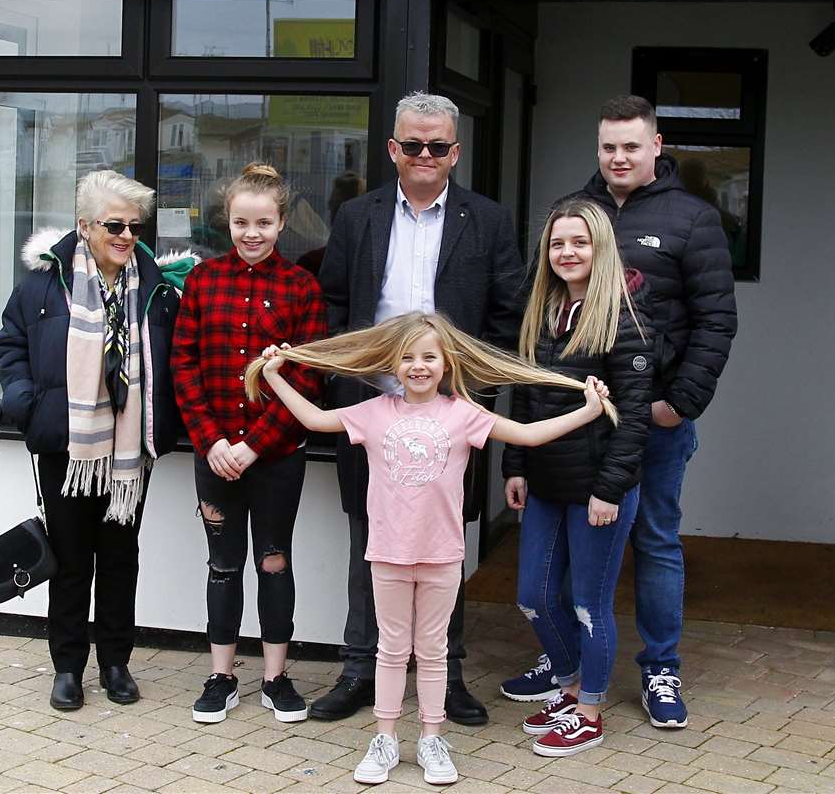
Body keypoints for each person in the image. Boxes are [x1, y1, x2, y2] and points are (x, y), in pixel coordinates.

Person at [247, 312, 611, 786]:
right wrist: (274, 374)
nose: (418, 366)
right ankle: (385, 739)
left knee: (434, 651)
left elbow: (527, 436)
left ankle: (432, 739)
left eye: (429, 357)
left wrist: (589, 410)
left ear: (446, 363)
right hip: (388, 553)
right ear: (392, 364)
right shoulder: (374, 411)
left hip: (442, 554)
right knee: (391, 650)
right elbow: (315, 418)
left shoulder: (463, 413)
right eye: (408, 357)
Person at [500, 94, 736, 728]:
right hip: (573, 430)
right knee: (573, 561)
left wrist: (676, 404)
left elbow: (716, 322)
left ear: (656, 146)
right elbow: (537, 322)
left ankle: (660, 669)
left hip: (651, 417)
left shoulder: (693, 218)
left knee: (655, 540)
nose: (619, 157)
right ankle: (570, 669)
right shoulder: (575, 213)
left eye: (632, 145)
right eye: (609, 146)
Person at [315, 92, 524, 726]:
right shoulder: (358, 216)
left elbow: (507, 312)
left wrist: (471, 394)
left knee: (445, 543)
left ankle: (447, 672)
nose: (425, 155)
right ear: (393, 149)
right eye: (413, 145)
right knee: (368, 538)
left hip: (450, 411)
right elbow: (331, 304)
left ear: (455, 152)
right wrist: (342, 386)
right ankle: (359, 669)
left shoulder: (486, 220)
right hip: (373, 404)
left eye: (437, 146)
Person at [0, 170, 196, 712]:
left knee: (120, 557)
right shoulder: (43, 284)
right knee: (69, 559)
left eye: (134, 225)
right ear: (85, 226)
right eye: (114, 224)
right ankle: (67, 667)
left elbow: (179, 360)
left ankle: (115, 662)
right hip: (67, 446)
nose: (127, 235)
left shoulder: (157, 287)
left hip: (130, 453)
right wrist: (26, 403)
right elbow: (10, 344)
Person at [171, 163, 330, 725]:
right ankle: (221, 676)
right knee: (221, 563)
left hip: (277, 456)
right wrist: (212, 441)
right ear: (228, 222)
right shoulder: (202, 281)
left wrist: (254, 446)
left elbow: (307, 380)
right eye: (241, 222)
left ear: (282, 222)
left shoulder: (301, 288)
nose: (252, 233)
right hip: (214, 453)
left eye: (263, 222)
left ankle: (276, 678)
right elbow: (183, 366)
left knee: (274, 560)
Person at [503, 199, 654, 757]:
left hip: (598, 490)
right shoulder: (541, 311)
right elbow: (523, 394)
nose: (568, 252)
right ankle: (567, 686)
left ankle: (588, 709)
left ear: (601, 248)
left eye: (580, 242)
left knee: (589, 603)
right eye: (558, 243)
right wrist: (515, 465)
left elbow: (635, 416)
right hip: (544, 482)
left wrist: (608, 489)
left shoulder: (626, 316)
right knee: (534, 597)